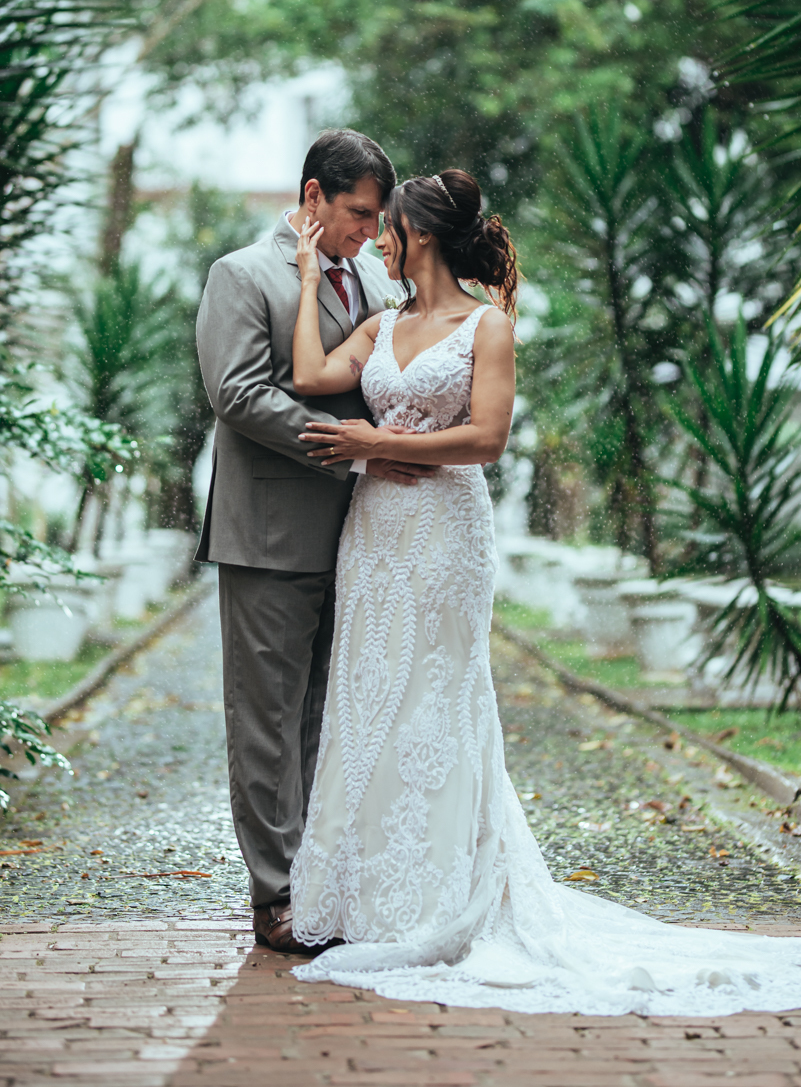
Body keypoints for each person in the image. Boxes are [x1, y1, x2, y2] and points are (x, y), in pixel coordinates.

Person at [286, 167, 801, 1016]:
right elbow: (310, 376)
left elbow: (485, 440)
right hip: (374, 533)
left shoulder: (487, 326)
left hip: (446, 536)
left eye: (390, 226)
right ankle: (366, 899)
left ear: (420, 233)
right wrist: (310, 280)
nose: (378, 236)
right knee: (368, 695)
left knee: (438, 700)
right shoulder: (381, 324)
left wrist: (380, 443)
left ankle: (440, 898)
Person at [195, 129, 434, 954]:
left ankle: (324, 883)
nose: (368, 236)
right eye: (355, 216)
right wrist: (344, 443)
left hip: (362, 532)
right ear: (311, 199)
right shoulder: (241, 274)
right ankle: (276, 896)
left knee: (328, 714)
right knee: (265, 717)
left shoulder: (371, 275)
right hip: (267, 531)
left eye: (376, 221)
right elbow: (236, 393)